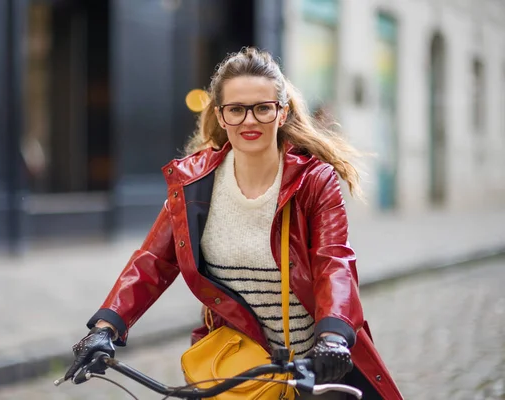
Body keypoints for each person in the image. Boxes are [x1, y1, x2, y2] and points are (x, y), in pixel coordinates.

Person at [63, 47, 403, 399]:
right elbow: (153, 261)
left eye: (262, 108)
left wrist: (333, 338)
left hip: (309, 369)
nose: (249, 121)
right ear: (221, 116)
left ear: (281, 113)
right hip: (235, 370)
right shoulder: (195, 184)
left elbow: (334, 262)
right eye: (236, 110)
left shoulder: (313, 181)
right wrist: (105, 327)